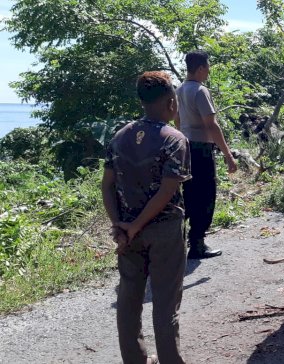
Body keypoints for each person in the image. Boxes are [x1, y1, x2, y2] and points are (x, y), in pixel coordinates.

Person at [102, 71, 191, 364]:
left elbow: (107, 184)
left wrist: (120, 226)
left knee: (129, 301)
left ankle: (135, 359)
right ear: (171, 102)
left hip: (128, 232)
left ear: (141, 100)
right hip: (163, 230)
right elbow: (167, 191)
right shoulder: (174, 140)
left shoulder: (119, 136)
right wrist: (136, 225)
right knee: (165, 303)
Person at [175, 50, 237, 260]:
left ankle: (184, 240)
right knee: (206, 195)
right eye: (208, 67)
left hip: (184, 146)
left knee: (189, 193)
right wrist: (228, 155)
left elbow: (176, 120)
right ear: (201, 68)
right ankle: (198, 243)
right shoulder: (200, 91)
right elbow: (211, 124)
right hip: (201, 149)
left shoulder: (179, 89)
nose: (208, 71)